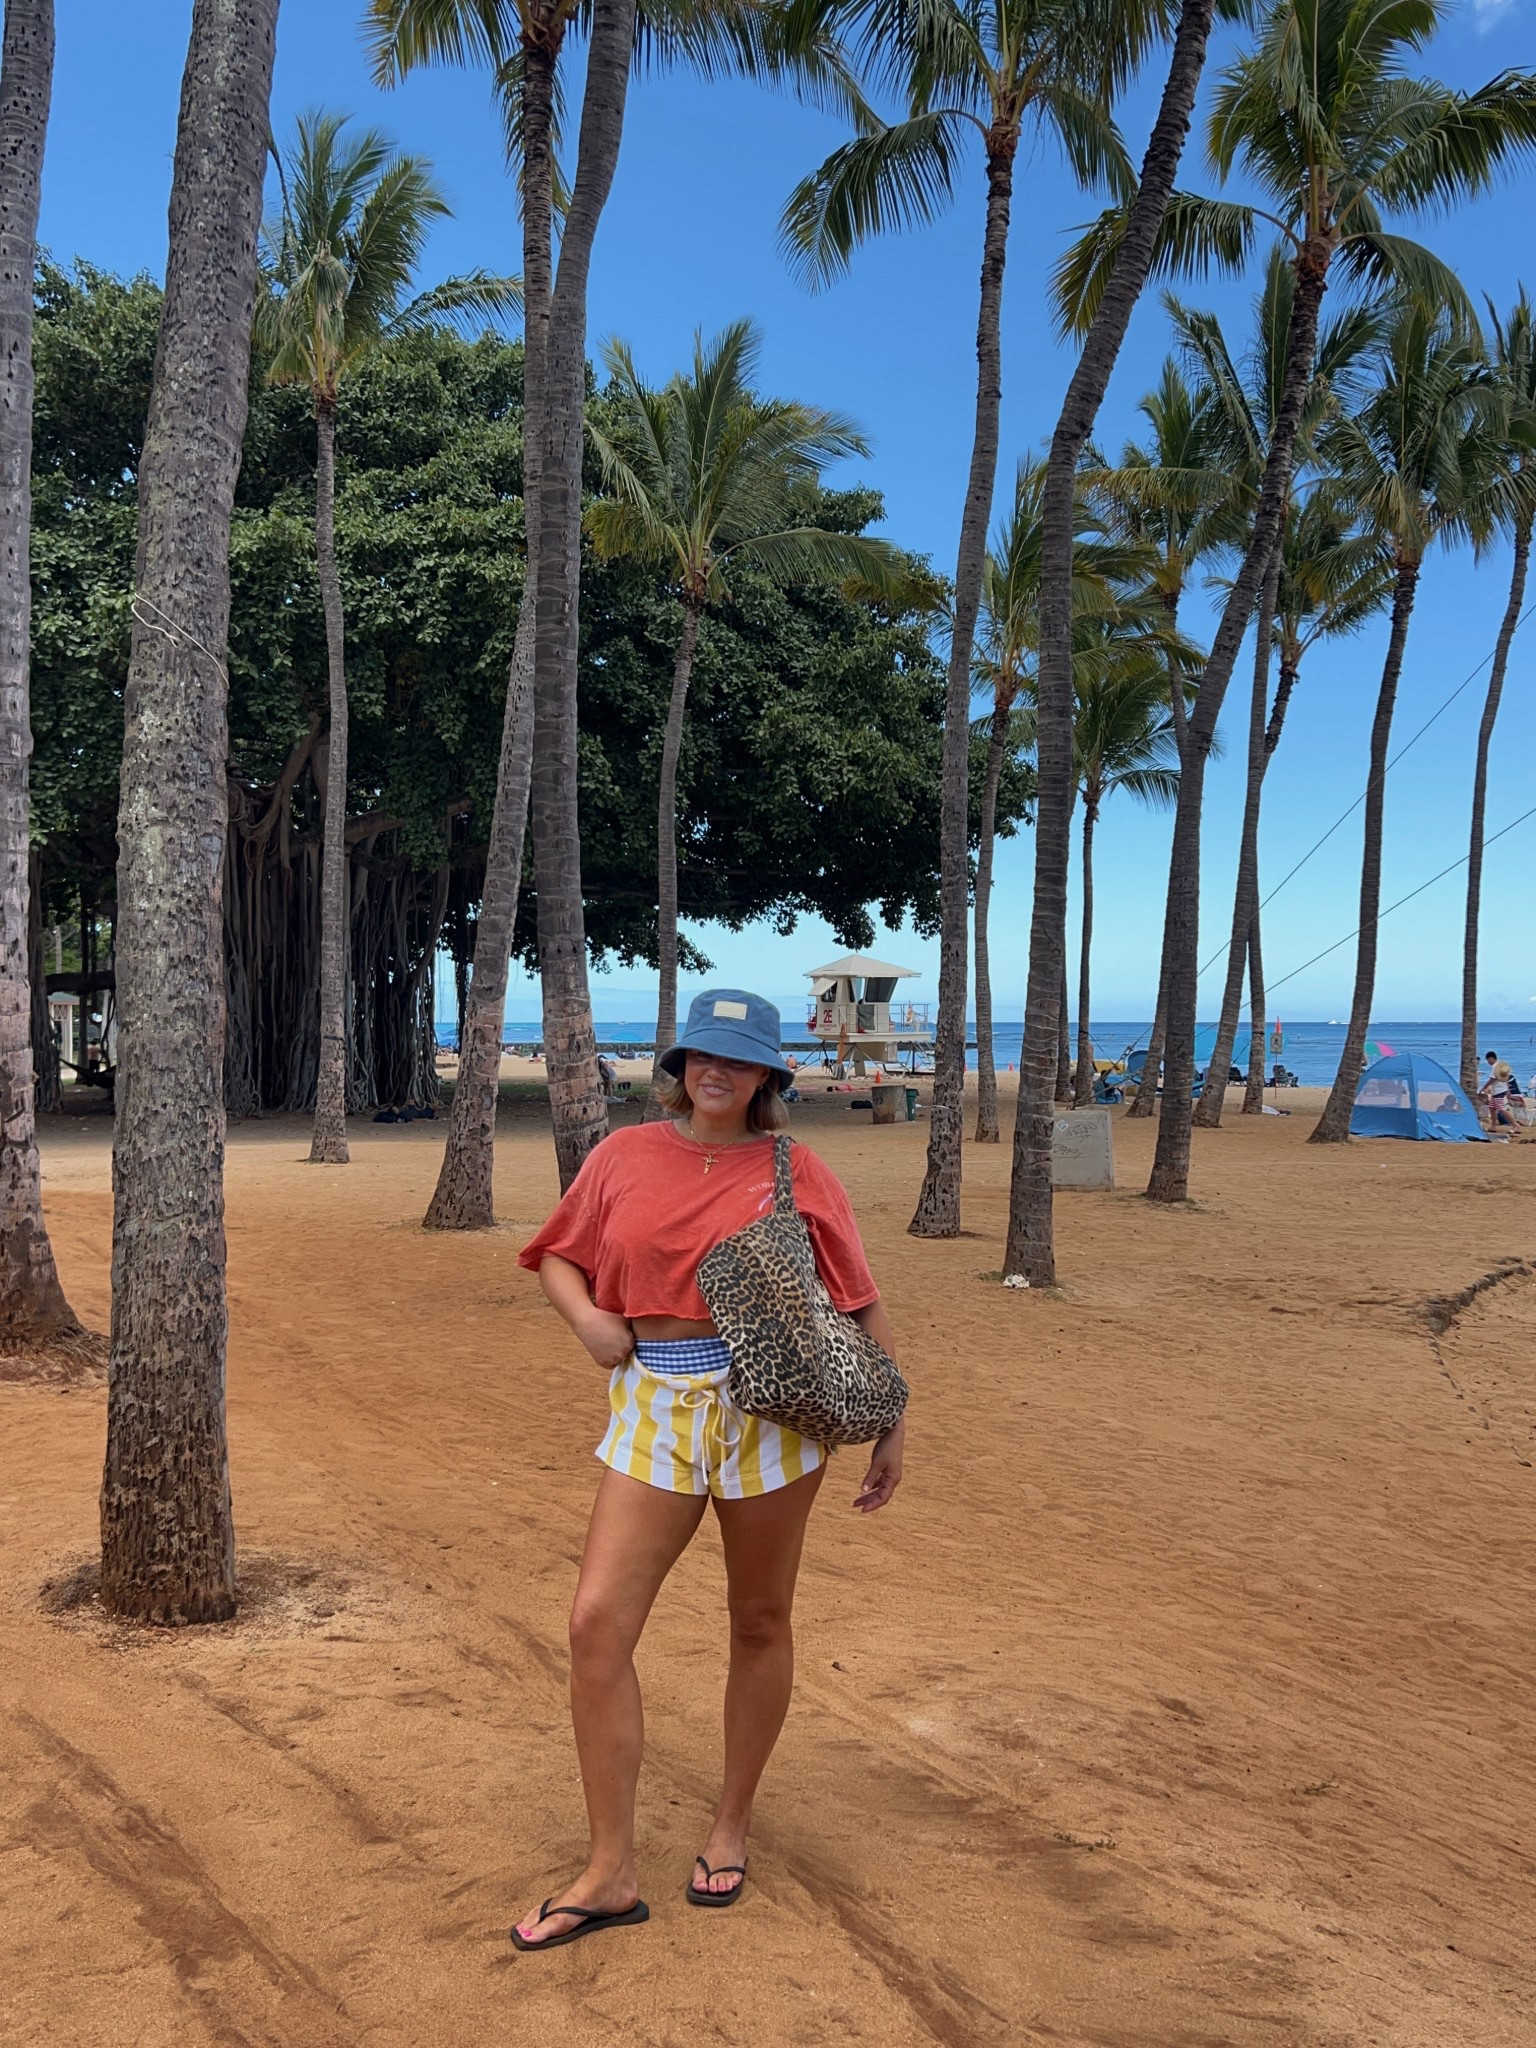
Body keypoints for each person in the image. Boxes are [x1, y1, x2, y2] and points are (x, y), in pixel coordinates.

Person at [512, 988, 904, 1951]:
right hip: (656, 1400)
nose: (714, 1072)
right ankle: (609, 1873)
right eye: (699, 1056)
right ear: (678, 1066)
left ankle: (730, 1823)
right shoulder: (623, 1156)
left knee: (760, 1619)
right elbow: (557, 1255)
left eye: (738, 1059)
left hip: (770, 1413)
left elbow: (855, 1298)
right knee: (595, 1623)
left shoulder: (797, 1169)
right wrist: (592, 1323)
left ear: (770, 1074)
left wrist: (894, 1419)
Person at [1480, 1050, 1518, 1132]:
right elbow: (1506, 1079)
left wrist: (1484, 1087)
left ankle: (1515, 1124)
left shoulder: (1495, 1067)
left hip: (1498, 1090)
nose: (1488, 1062)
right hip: (1500, 1089)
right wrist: (1508, 1090)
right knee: (1492, 1107)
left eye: (1488, 1060)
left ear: (1491, 1058)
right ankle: (1493, 1126)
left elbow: (1492, 1079)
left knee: (1501, 1108)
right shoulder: (1501, 1067)